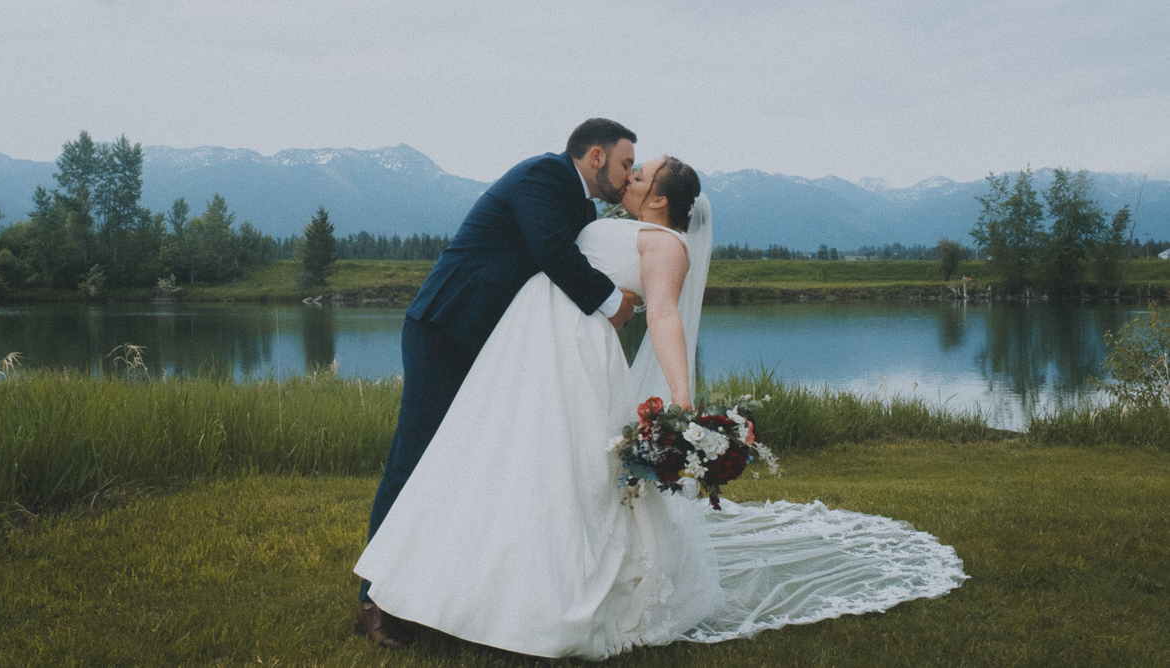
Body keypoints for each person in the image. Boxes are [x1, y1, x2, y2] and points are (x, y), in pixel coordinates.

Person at [355, 156, 967, 659]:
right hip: (523, 346)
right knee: (491, 459)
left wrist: (682, 399)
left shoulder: (664, 244)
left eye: (641, 174)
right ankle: (428, 592)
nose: (630, 177)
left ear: (660, 202)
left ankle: (536, 600)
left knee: (562, 473)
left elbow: (667, 316)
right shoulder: (598, 218)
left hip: (573, 355)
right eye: (630, 167)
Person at [355, 118, 644, 647]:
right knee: (416, 455)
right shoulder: (546, 176)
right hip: (447, 326)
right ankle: (373, 600)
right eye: (626, 163)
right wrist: (612, 305)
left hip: (494, 341)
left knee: (471, 462)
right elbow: (551, 250)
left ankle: (437, 586)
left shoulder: (581, 205)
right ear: (597, 156)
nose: (629, 176)